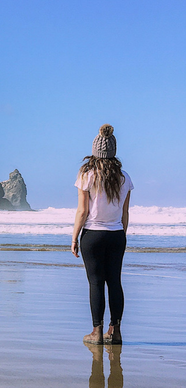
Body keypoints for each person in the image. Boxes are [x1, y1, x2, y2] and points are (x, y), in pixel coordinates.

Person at [71, 124, 133, 344]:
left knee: (96, 283)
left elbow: (82, 211)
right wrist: (121, 235)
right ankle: (115, 332)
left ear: (95, 151)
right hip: (116, 235)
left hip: (92, 235)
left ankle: (96, 333)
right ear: (113, 151)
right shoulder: (124, 177)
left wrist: (74, 237)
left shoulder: (86, 175)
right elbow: (125, 213)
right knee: (114, 281)